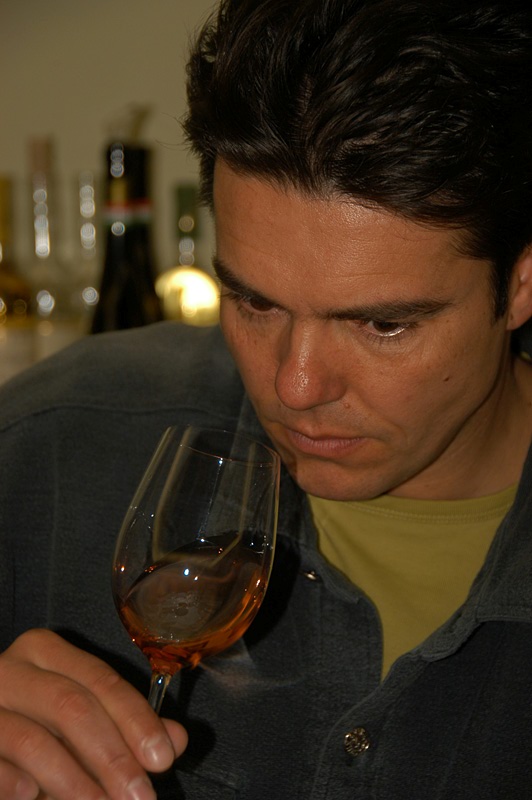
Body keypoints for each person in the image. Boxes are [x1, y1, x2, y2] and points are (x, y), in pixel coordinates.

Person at [1, 0, 532, 797]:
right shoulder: (48, 448)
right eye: (254, 302)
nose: (296, 386)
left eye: (382, 324)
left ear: (520, 283)